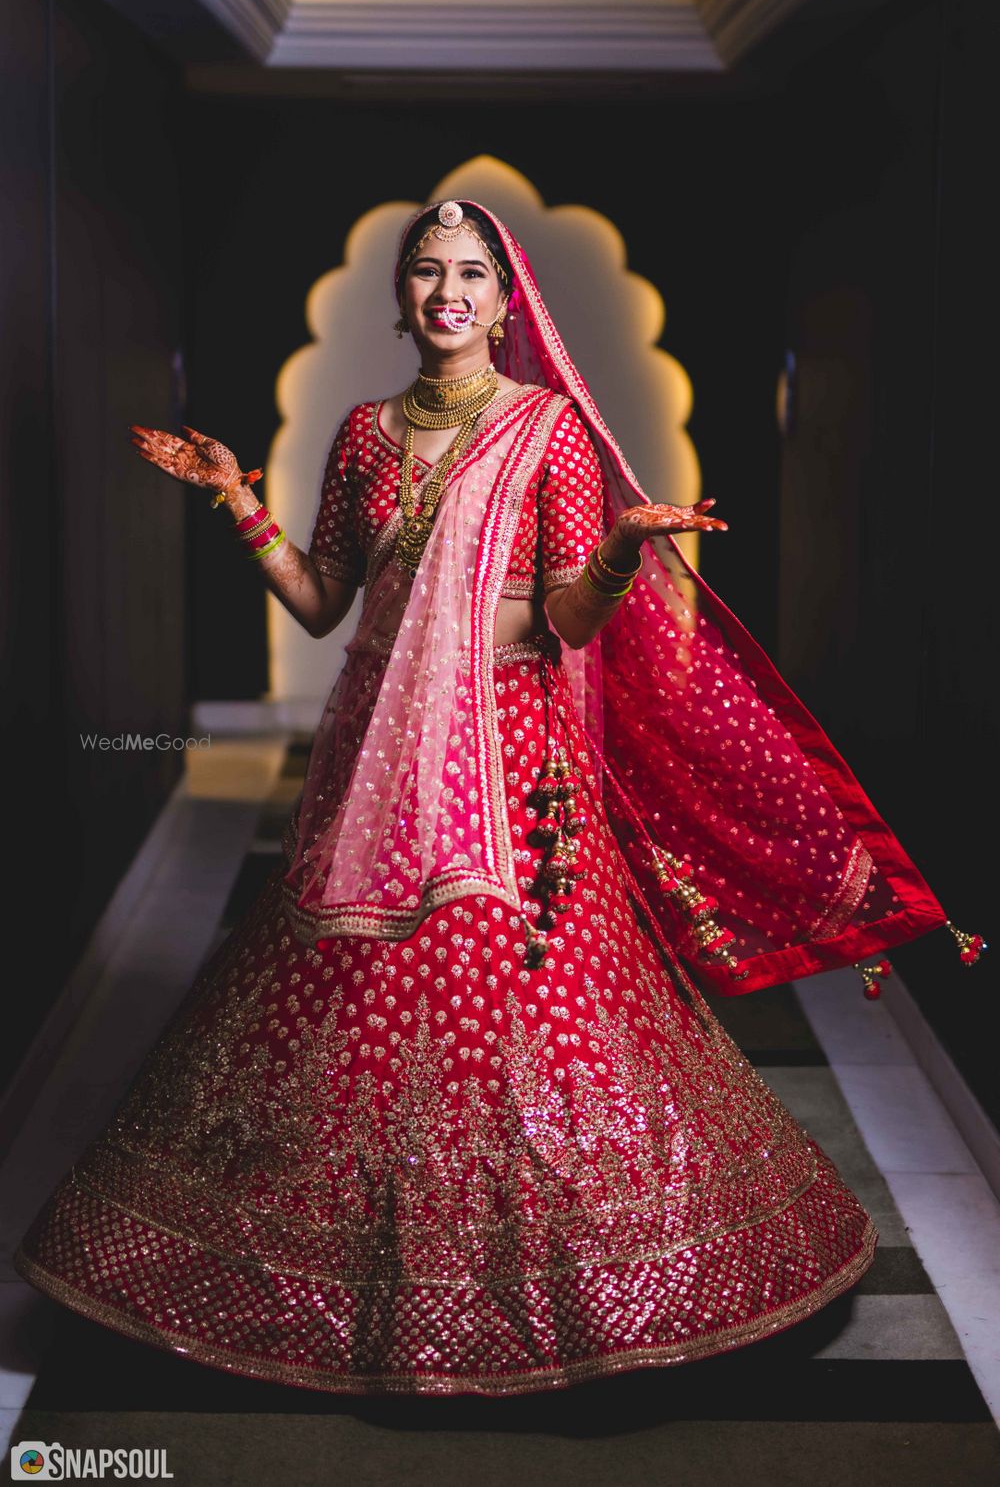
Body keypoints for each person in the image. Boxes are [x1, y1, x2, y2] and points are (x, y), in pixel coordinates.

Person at [14, 198, 984, 1397]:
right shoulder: (365, 435)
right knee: (346, 1003)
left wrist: (624, 546)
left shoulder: (547, 434)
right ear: (401, 294)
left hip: (512, 759)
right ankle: (347, 1280)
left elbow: (569, 617)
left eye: (471, 272)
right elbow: (324, 602)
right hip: (373, 761)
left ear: (506, 296)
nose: (449, 294)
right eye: (427, 272)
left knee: (531, 1016)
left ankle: (568, 1288)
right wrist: (233, 496)